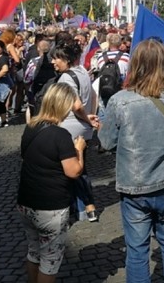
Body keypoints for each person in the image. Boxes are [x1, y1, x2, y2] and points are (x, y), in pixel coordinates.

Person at [100, 39, 164, 283]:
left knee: (137, 249)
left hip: (134, 182)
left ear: (135, 65)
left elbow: (106, 143)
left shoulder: (120, 100)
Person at [17, 83, 86, 283]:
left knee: (34, 252)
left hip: (26, 201)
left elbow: (25, 155)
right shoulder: (61, 135)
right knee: (50, 260)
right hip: (51, 207)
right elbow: (73, 171)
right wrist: (79, 149)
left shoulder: (31, 127)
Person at [50, 41, 99, 222]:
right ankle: (85, 207)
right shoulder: (82, 72)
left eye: (56, 58)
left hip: (70, 127)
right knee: (81, 167)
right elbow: (93, 95)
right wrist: (91, 116)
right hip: (82, 128)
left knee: (74, 170)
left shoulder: (66, 79)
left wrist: (87, 118)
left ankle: (85, 207)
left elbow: (76, 105)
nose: (53, 62)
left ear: (66, 59)